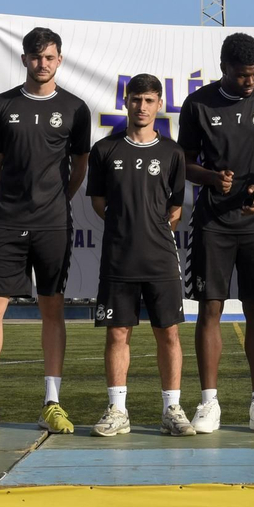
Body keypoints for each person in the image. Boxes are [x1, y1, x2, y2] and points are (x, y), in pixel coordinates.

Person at [0, 27, 91, 436]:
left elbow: (79, 167)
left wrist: (55, 201)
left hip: (54, 223)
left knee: (52, 309)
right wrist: (15, 202)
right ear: (24, 59)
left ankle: (52, 403)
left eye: (49, 57)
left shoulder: (75, 108)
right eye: (35, 57)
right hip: (9, 222)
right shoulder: (1, 105)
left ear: (59, 60)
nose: (42, 63)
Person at [178, 33, 254, 434]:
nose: (250, 81)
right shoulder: (198, 103)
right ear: (224, 68)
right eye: (242, 75)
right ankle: (209, 403)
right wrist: (211, 177)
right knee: (211, 308)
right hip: (213, 222)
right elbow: (183, 162)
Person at [87, 74, 194, 438]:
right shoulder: (105, 150)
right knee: (118, 333)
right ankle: (118, 410)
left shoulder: (173, 153)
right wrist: (125, 226)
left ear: (159, 104)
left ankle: (172, 410)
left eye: (149, 100)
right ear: (126, 102)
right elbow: (99, 202)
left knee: (169, 333)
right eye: (136, 100)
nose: (142, 107)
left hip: (161, 259)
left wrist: (152, 230)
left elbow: (175, 207)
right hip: (118, 258)